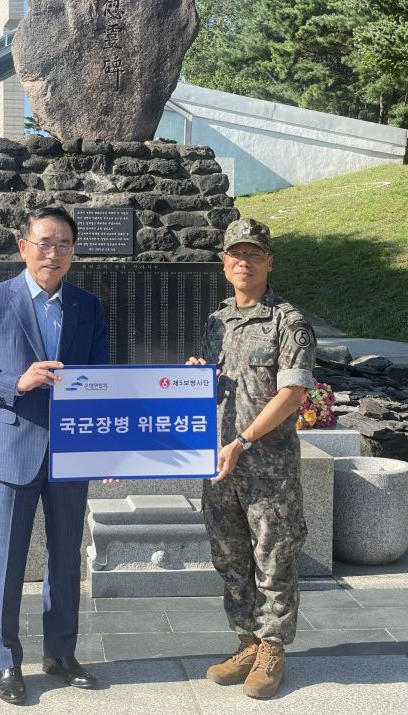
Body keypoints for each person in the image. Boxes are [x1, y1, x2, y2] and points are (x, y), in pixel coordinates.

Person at [0, 206, 110, 705]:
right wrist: (15, 382)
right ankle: (5, 661)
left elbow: (103, 382)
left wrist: (106, 448)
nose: (54, 253)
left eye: (64, 245)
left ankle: (60, 653)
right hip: (13, 449)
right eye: (45, 242)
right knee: (4, 563)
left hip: (70, 453)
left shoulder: (87, 306)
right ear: (23, 246)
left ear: (73, 253)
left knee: (65, 559)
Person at [187, 217, 315, 699]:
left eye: (254, 254)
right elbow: (215, 387)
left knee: (274, 559)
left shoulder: (288, 322)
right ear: (224, 263)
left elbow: (292, 394)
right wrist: (193, 378)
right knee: (231, 559)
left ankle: (273, 649)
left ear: (269, 262)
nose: (244, 262)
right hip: (220, 467)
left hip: (268, 471)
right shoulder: (216, 322)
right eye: (236, 254)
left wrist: (242, 440)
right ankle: (247, 642)